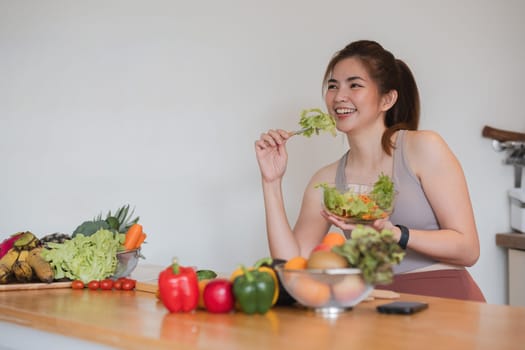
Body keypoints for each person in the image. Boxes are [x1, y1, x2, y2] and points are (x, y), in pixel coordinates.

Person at [254, 40, 485, 302]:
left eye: (354, 85)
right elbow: (292, 266)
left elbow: (468, 249)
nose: (339, 96)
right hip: (377, 304)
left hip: (447, 298)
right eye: (333, 86)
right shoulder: (327, 180)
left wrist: (395, 233)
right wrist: (271, 182)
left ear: (387, 99)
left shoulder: (423, 147)